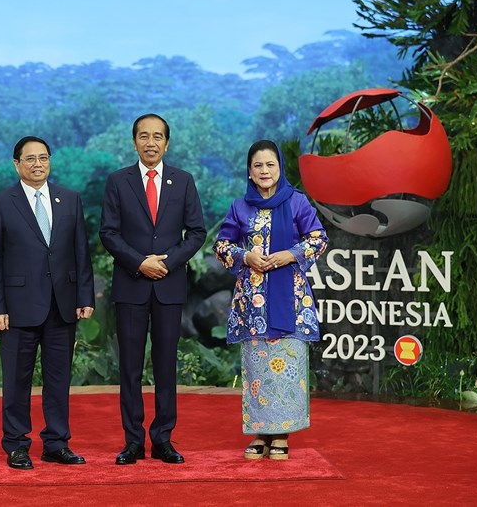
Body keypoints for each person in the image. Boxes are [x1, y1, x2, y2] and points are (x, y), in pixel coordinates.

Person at [0, 135, 95, 470]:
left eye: (43, 158)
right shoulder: (1, 203)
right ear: (16, 164)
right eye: (29, 159)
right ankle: (16, 445)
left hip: (62, 305)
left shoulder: (69, 199)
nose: (37, 164)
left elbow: (80, 252)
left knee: (58, 379)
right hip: (17, 308)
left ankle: (56, 444)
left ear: (50, 161)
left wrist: (84, 295)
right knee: (17, 379)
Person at [99, 113, 206, 465]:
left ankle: (163, 439)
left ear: (167, 142)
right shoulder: (118, 182)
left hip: (169, 287)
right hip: (131, 286)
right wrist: (140, 261)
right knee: (129, 367)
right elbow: (109, 233)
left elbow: (196, 233)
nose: (150, 142)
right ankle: (132, 441)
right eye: (143, 136)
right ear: (134, 142)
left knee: (165, 367)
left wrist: (168, 261)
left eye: (157, 136)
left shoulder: (184, 181)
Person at [212, 139, 328, 460]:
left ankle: (282, 435)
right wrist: (246, 255)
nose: (264, 171)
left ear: (280, 168)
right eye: (258, 166)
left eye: (270, 165)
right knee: (258, 369)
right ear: (249, 172)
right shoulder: (240, 207)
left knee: (286, 367)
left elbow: (318, 238)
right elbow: (221, 246)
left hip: (290, 301)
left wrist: (288, 255)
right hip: (253, 306)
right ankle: (260, 433)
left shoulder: (298, 203)